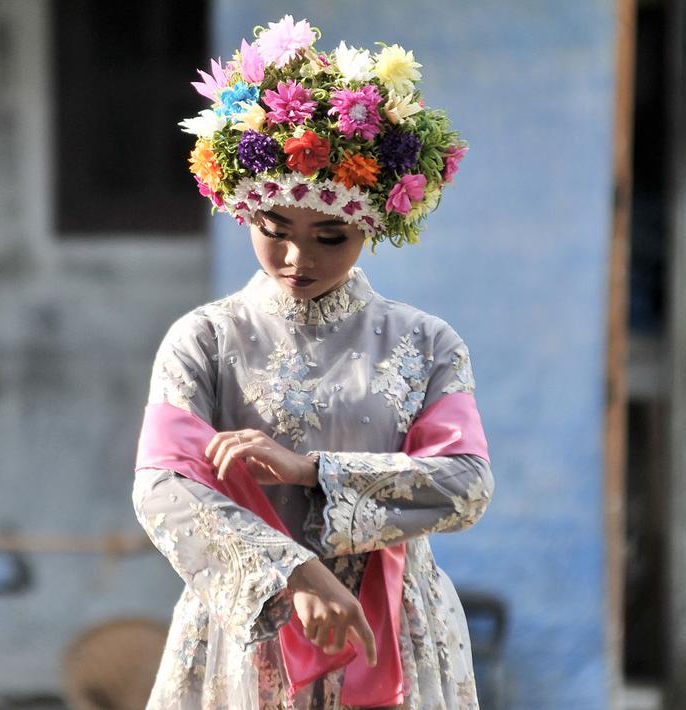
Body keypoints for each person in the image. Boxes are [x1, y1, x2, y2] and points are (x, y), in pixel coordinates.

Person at [132, 16, 491, 709]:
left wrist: (314, 474)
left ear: (372, 223)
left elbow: (466, 485)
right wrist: (295, 575)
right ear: (245, 215)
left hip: (393, 629)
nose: (298, 259)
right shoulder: (203, 340)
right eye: (275, 232)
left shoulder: (426, 342)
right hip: (253, 619)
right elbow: (161, 487)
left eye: (329, 236)